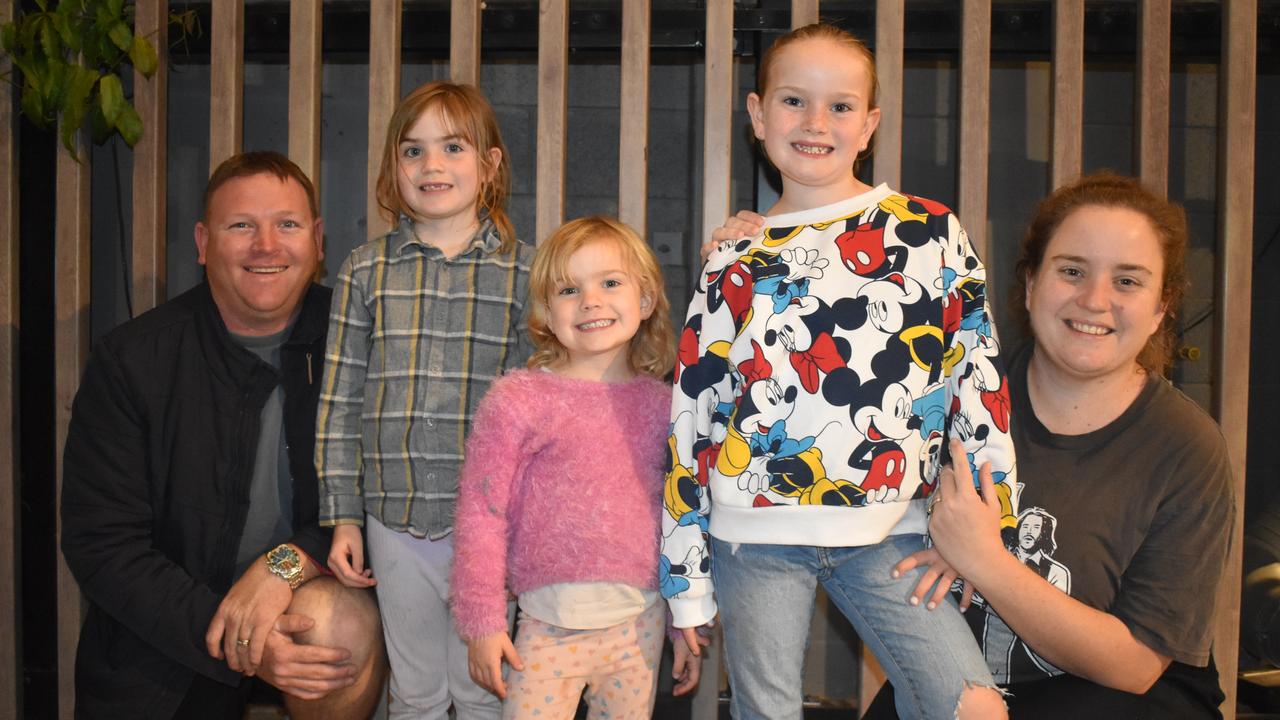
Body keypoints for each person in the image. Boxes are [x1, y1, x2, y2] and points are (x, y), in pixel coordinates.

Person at [663, 22, 1015, 720]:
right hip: (752, 535)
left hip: (895, 533)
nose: (816, 122)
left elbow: (979, 385)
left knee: (972, 707)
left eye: (841, 106)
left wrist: (986, 528)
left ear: (870, 123)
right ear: (758, 114)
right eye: (794, 101)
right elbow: (691, 416)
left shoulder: (931, 232)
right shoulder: (734, 256)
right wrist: (687, 586)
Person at [824, 171, 1232, 718]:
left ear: (1162, 307)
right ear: (1031, 284)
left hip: (1124, 697)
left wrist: (985, 561)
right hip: (961, 680)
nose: (1094, 300)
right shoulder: (952, 394)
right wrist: (755, 247)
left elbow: (1135, 668)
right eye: (1071, 271)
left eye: (1128, 281)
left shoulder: (1187, 448)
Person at [60, 151, 386, 719]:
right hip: (171, 631)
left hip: (310, 601)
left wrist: (286, 564)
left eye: (286, 224)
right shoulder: (134, 359)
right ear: (204, 242)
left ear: (316, 240)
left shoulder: (364, 343)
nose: (266, 246)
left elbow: (392, 495)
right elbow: (102, 543)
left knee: (341, 628)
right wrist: (242, 639)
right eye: (242, 226)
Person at [316, 80, 533, 718]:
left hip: (490, 526)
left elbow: (539, 408)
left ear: (490, 165)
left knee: (483, 686)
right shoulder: (365, 270)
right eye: (413, 151)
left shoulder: (528, 272)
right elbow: (338, 400)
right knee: (414, 688)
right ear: (393, 167)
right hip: (392, 515)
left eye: (453, 147)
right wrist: (344, 515)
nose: (431, 165)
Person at [450, 216, 704, 717]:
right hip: (545, 627)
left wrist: (684, 618)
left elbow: (682, 518)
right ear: (546, 311)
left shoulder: (666, 405)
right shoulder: (518, 400)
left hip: (639, 627)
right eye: (569, 289)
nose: (591, 301)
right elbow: (481, 514)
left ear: (646, 299)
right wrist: (482, 622)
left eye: (610, 283)